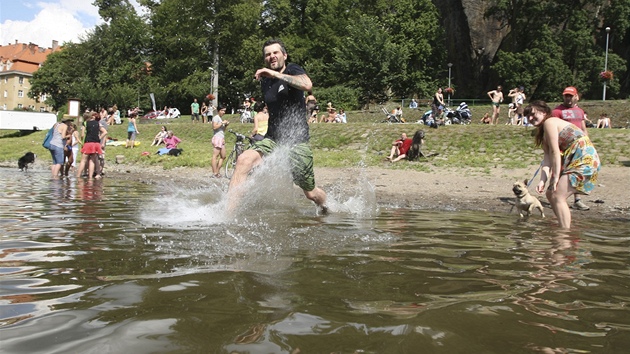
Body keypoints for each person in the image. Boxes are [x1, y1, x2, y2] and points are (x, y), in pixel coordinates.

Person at [228, 38, 327, 213]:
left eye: (275, 53)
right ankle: (226, 214)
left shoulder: (292, 69)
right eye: (268, 54)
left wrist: (275, 74)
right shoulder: (265, 81)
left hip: (296, 141)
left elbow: (307, 84)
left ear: (284, 55)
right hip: (272, 138)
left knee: (311, 193)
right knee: (243, 160)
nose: (272, 57)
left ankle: (327, 207)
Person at [524, 100, 600, 229]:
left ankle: (565, 233)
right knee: (550, 193)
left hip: (584, 160)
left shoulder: (550, 122)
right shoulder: (544, 134)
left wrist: (555, 178)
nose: (530, 119)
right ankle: (562, 225)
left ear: (544, 112)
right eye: (527, 116)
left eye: (533, 114)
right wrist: (543, 180)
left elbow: (555, 152)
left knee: (558, 195)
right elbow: (547, 159)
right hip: (577, 160)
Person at [551, 86, 590, 211]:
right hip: (564, 147)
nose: (568, 98)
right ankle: (555, 196)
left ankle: (577, 200)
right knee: (561, 171)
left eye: (570, 96)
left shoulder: (580, 111)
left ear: (575, 97)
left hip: (579, 146)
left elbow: (583, 128)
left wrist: (588, 143)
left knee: (576, 172)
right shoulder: (557, 111)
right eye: (566, 95)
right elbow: (553, 129)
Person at [77, 112, 107, 179]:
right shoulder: (98, 123)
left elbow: (82, 135)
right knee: (92, 160)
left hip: (88, 142)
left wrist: (82, 141)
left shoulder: (85, 123)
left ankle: (78, 176)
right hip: (96, 143)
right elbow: (105, 132)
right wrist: (99, 138)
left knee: (83, 160)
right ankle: (90, 177)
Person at [211, 105, 229, 178]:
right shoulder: (216, 117)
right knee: (215, 156)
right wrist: (222, 123)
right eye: (222, 110)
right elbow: (214, 127)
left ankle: (217, 171)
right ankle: (215, 172)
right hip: (217, 138)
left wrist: (226, 125)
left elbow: (222, 130)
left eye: (224, 111)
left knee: (223, 156)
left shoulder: (220, 119)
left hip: (221, 138)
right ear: (218, 110)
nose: (223, 112)